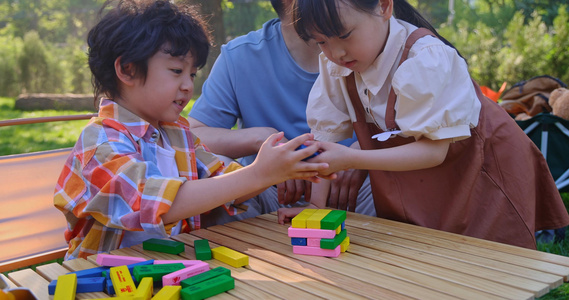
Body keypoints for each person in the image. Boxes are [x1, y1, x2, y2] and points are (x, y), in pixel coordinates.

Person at [53, 0, 329, 260]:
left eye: (192, 74)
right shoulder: (101, 141)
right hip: (102, 277)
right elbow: (155, 204)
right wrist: (259, 173)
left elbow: (226, 183)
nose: (188, 86)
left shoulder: (177, 135)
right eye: (176, 71)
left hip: (171, 270)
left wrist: (276, 167)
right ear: (127, 70)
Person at [282, 0, 569, 249]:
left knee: (486, 265)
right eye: (322, 42)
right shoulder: (338, 67)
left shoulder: (426, 58)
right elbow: (325, 140)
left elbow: (434, 152)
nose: (337, 52)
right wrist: (316, 209)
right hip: (427, 180)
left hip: (482, 169)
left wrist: (351, 158)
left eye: (343, 35)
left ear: (384, 6)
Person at [188, 0, 375, 216]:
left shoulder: (371, 46)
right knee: (214, 168)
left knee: (397, 175)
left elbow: (412, 130)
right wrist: (264, 141)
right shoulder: (239, 56)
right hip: (268, 194)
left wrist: (363, 153)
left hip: (351, 192)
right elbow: (192, 136)